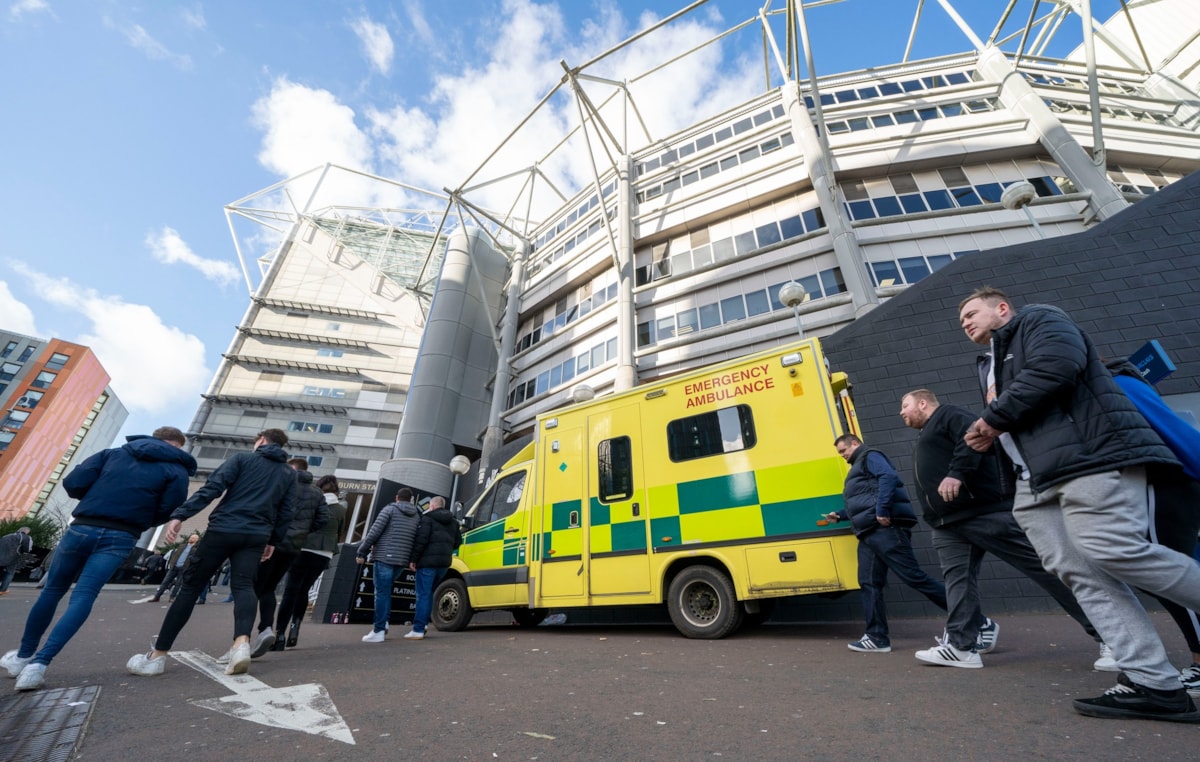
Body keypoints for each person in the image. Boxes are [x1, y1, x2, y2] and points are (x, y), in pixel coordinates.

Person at [958, 286, 1200, 722]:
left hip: (1086, 459)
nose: (966, 322)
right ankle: (1154, 684)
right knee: (1082, 576)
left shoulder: (1039, 319)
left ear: (1002, 307)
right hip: (1032, 481)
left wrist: (990, 421)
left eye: (972, 313)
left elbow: (1057, 367)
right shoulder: (988, 362)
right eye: (962, 320)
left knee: (1116, 550)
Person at [899, 389, 1107, 669]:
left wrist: (956, 474)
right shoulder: (926, 433)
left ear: (923, 403)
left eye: (905, 405)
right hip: (947, 524)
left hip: (981, 513)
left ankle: (1112, 636)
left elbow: (976, 439)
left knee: (1044, 568)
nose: (902, 412)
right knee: (957, 584)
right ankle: (962, 647)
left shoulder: (949, 414)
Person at [0, 427, 195, 691]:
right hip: (123, 534)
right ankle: (39, 666)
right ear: (177, 446)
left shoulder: (112, 454)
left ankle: (23, 657)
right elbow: (168, 509)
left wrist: (98, 498)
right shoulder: (177, 470)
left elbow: (73, 483)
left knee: (52, 590)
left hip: (84, 525)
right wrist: (140, 519)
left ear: (153, 437)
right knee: (84, 596)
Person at [126, 429, 299, 679]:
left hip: (223, 528)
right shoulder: (287, 474)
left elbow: (212, 489)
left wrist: (180, 515)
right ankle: (241, 643)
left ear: (260, 440)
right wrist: (273, 540)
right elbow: (286, 511)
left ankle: (158, 655)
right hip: (257, 535)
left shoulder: (242, 459)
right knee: (243, 586)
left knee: (190, 587)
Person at [1106, 358, 1200, 698]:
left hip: (1164, 482)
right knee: (1179, 567)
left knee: (1167, 570)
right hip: (1175, 481)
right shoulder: (1128, 383)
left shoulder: (1115, 385)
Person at [822, 435, 952, 653]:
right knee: (869, 583)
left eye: (843, 450)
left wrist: (882, 510)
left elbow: (888, 477)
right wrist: (841, 515)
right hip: (869, 533)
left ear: (855, 444)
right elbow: (866, 499)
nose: (843, 455)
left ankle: (974, 620)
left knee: (914, 577)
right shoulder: (860, 465)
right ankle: (876, 638)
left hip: (885, 530)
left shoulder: (869, 456)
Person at [248, 458, 327, 658]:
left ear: (292, 468)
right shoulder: (317, 492)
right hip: (293, 547)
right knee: (270, 588)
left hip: (272, 542)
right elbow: (322, 519)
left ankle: (245, 637)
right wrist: (302, 532)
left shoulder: (283, 483)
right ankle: (269, 631)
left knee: (255, 588)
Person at [274, 474, 348, 650]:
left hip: (303, 548)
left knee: (291, 591)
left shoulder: (312, 501)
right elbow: (339, 532)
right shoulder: (341, 509)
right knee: (304, 590)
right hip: (324, 553)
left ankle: (280, 634)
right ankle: (295, 628)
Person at [356, 488, 421, 643]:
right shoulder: (417, 516)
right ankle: (383, 623)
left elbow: (374, 532)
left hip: (385, 556)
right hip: (402, 560)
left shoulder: (390, 509)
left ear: (397, 497)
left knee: (382, 593)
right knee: (386, 591)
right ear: (411, 500)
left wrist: (362, 551)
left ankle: (378, 630)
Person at [406, 495, 463, 640]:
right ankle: (423, 624)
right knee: (429, 593)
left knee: (423, 594)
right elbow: (458, 541)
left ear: (431, 506)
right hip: (443, 563)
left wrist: (413, 559)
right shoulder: (454, 522)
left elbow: (421, 540)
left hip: (427, 563)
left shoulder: (427, 518)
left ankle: (419, 628)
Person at [151, 533, 199, 602]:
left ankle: (172, 597)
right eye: (191, 537)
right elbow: (175, 555)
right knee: (165, 582)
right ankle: (157, 596)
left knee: (178, 584)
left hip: (183, 569)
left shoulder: (195, 550)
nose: (191, 539)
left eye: (194, 538)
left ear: (197, 540)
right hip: (174, 567)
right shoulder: (182, 546)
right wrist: (171, 563)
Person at [0, 527, 34, 594]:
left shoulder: (7, 535)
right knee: (9, 573)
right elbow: (27, 549)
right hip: (12, 557)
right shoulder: (26, 537)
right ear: (27, 532)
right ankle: (3, 590)